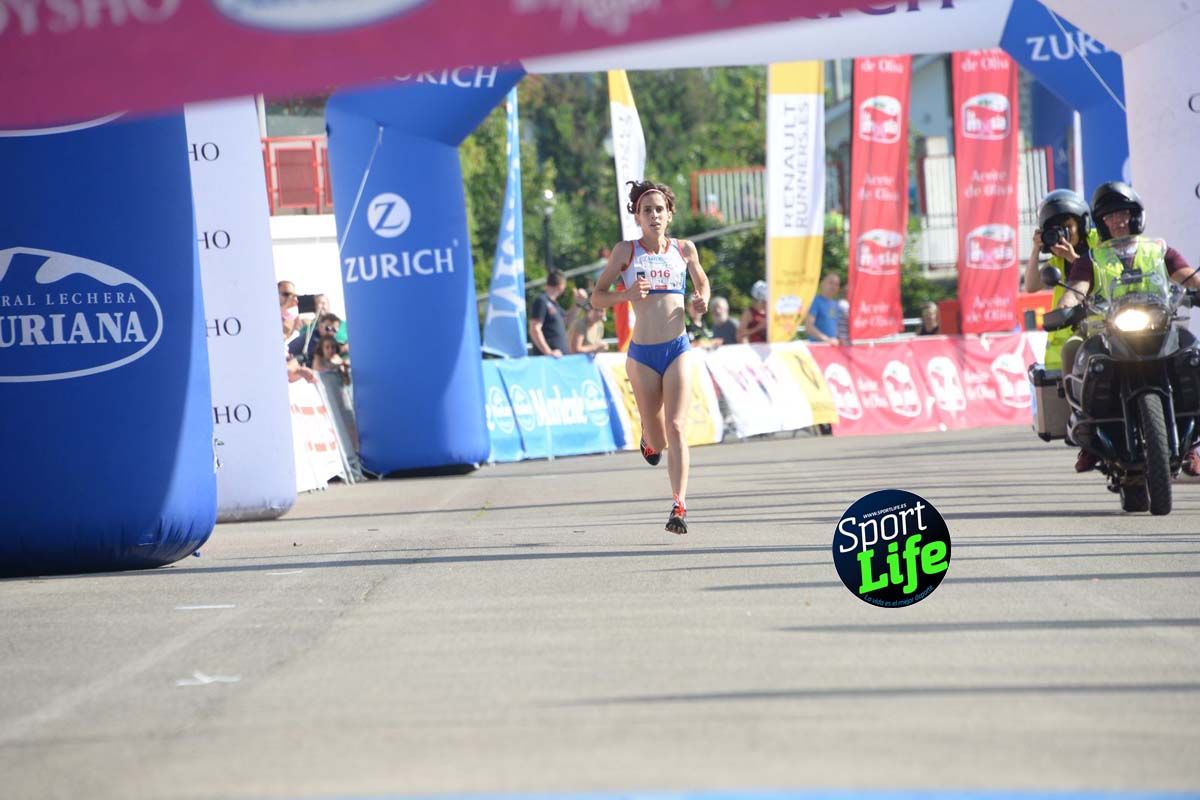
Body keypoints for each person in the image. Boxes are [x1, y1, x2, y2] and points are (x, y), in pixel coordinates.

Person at [591, 180, 711, 534]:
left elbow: (702, 283)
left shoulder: (684, 249)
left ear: (669, 215)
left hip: (678, 348)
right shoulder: (625, 252)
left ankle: (679, 505)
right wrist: (625, 294)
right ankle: (647, 439)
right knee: (658, 439)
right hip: (642, 355)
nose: (654, 215)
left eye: (660, 209)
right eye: (647, 210)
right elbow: (597, 297)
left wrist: (700, 300)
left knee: (676, 427)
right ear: (638, 218)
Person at [1055, 181, 1200, 473]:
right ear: (1102, 222)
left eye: (1122, 214)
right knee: (1074, 351)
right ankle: (1089, 437)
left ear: (1135, 216)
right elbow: (1076, 288)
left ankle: (1193, 446)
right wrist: (1066, 306)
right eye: (1109, 216)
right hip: (1110, 331)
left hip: (1158, 325)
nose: (1117, 221)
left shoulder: (1159, 251)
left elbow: (1188, 278)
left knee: (1192, 351)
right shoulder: (1091, 258)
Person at [1023, 189, 1092, 371]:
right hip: (1063, 359)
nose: (1063, 234)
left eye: (1067, 227)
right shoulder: (1057, 261)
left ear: (1082, 224)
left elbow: (1097, 275)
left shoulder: (1098, 249)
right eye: (1057, 230)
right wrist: (1036, 250)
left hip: (1098, 337)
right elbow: (1030, 286)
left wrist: (1072, 257)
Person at [529, 269, 568, 357]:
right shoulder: (542, 301)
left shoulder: (554, 304)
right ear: (561, 285)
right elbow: (534, 329)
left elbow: (567, 320)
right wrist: (548, 352)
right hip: (548, 361)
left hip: (558, 359)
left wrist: (577, 304)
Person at [805, 273, 841, 344]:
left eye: (836, 284)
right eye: (831, 283)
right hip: (818, 347)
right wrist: (826, 339)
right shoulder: (815, 301)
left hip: (833, 347)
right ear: (822, 284)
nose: (833, 286)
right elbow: (809, 327)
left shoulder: (836, 305)